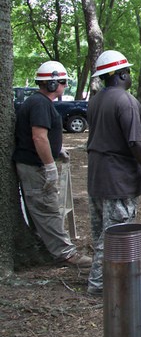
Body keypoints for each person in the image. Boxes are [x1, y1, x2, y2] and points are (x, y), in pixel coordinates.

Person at [86, 50, 141, 296]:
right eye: (129, 72)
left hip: (97, 177)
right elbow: (135, 142)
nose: (131, 76)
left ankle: (103, 281)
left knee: (101, 237)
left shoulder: (95, 101)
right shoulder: (125, 101)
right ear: (121, 74)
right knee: (115, 236)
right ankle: (101, 287)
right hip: (118, 180)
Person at [13, 61, 92, 268]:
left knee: (43, 207)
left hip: (36, 164)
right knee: (47, 207)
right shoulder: (39, 103)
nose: (65, 86)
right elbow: (39, 137)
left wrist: (56, 151)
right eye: (63, 82)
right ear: (52, 83)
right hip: (35, 167)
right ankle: (66, 254)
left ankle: (46, 248)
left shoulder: (39, 102)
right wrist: (49, 165)